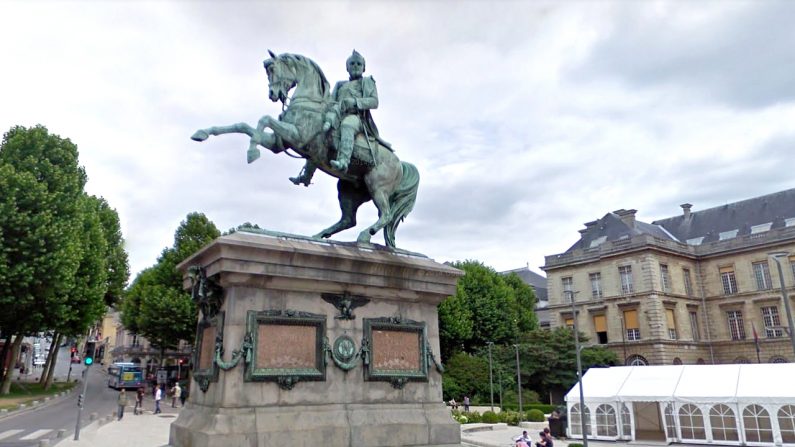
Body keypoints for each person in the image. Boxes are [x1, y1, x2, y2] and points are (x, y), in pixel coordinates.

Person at [289, 50, 386, 186]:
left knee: (347, 125)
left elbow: (374, 102)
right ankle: (307, 175)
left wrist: (354, 102)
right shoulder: (340, 85)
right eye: (352, 64)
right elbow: (330, 101)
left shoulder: (367, 82)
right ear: (347, 67)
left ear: (364, 67)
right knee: (318, 135)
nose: (355, 66)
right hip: (336, 115)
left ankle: (343, 161)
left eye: (359, 64)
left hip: (356, 117)